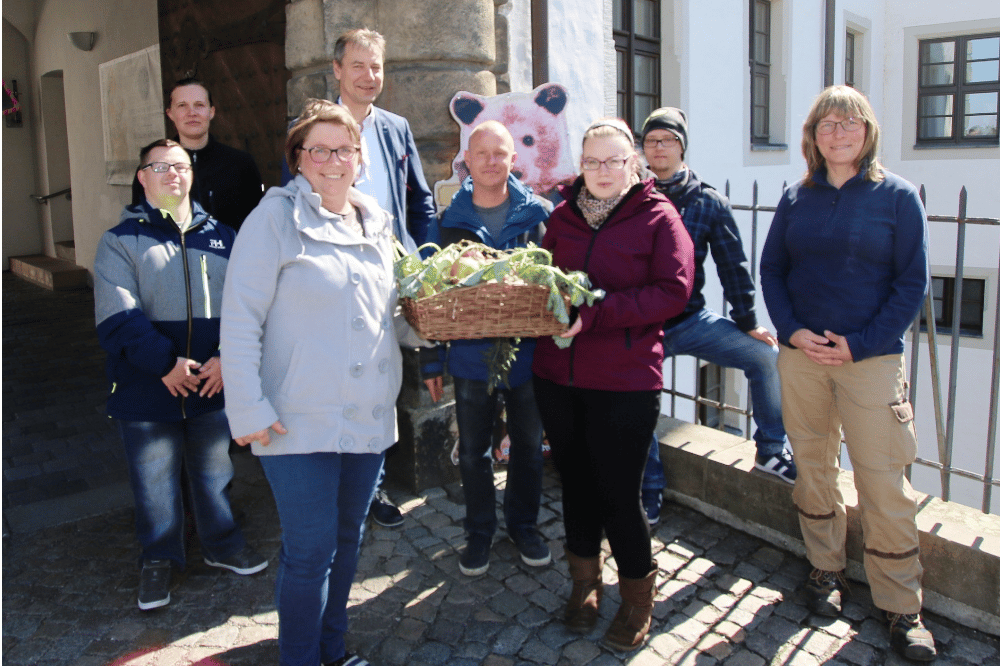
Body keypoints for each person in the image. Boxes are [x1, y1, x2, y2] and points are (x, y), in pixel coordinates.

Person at [220, 99, 427, 666]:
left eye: (344, 149)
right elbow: (240, 320)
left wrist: (432, 325)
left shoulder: (377, 220)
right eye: (319, 150)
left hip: (365, 414)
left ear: (360, 158)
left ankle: (332, 652)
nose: (333, 160)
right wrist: (249, 408)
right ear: (298, 160)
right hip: (295, 415)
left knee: (346, 543)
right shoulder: (274, 219)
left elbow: (391, 315)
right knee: (309, 553)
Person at [760, 85, 936, 662]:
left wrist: (859, 345)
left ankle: (900, 606)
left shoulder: (897, 197)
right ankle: (824, 571)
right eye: (827, 125)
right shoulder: (795, 198)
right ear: (813, 135)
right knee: (812, 465)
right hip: (803, 356)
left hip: (872, 361)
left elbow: (912, 284)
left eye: (849, 123)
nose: (838, 133)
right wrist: (790, 331)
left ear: (867, 131)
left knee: (883, 480)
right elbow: (773, 270)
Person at [531, 118, 695, 651]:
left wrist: (593, 315)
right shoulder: (562, 217)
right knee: (575, 483)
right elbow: (544, 281)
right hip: (558, 375)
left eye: (614, 161)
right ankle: (584, 585)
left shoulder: (659, 218)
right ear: (581, 165)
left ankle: (636, 599)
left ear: (634, 165)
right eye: (593, 161)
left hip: (624, 380)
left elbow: (673, 292)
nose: (602, 171)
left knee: (619, 493)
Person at [95, 139, 268, 612]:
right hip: (147, 388)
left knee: (215, 471)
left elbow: (246, 307)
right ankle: (159, 558)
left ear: (192, 175)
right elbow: (117, 317)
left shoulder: (226, 238)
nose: (173, 173)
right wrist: (165, 364)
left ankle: (222, 543)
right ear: (142, 178)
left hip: (212, 384)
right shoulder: (120, 241)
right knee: (154, 479)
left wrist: (224, 361)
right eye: (160, 166)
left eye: (181, 166)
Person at [637, 107, 797, 524]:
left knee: (764, 357)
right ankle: (648, 486)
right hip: (641, 327)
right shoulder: (628, 196)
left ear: (682, 147)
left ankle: (771, 450)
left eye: (668, 140)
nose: (659, 147)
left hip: (690, 321)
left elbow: (733, 266)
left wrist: (748, 322)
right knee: (636, 399)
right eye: (651, 140)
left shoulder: (708, 202)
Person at [423, 121, 552, 576]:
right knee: (475, 449)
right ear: (467, 162)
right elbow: (432, 294)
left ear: (514, 159)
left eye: (501, 154)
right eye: (483, 154)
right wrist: (432, 359)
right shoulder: (449, 223)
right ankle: (479, 531)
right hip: (471, 356)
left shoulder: (538, 215)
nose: (492, 162)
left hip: (527, 356)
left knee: (528, 444)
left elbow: (555, 285)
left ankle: (524, 526)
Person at [332, 28, 438, 528]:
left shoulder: (395, 127)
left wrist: (425, 257)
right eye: (358, 66)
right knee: (339, 380)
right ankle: (338, 482)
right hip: (335, 275)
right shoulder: (314, 126)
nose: (369, 76)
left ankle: (371, 488)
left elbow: (419, 198)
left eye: (376, 67)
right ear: (337, 70)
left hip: (390, 276)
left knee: (381, 383)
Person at [131, 78, 264, 233]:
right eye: (182, 106)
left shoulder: (241, 164)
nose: (191, 113)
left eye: (199, 105)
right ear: (170, 114)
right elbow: (139, 223)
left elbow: (257, 223)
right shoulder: (152, 167)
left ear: (211, 111)